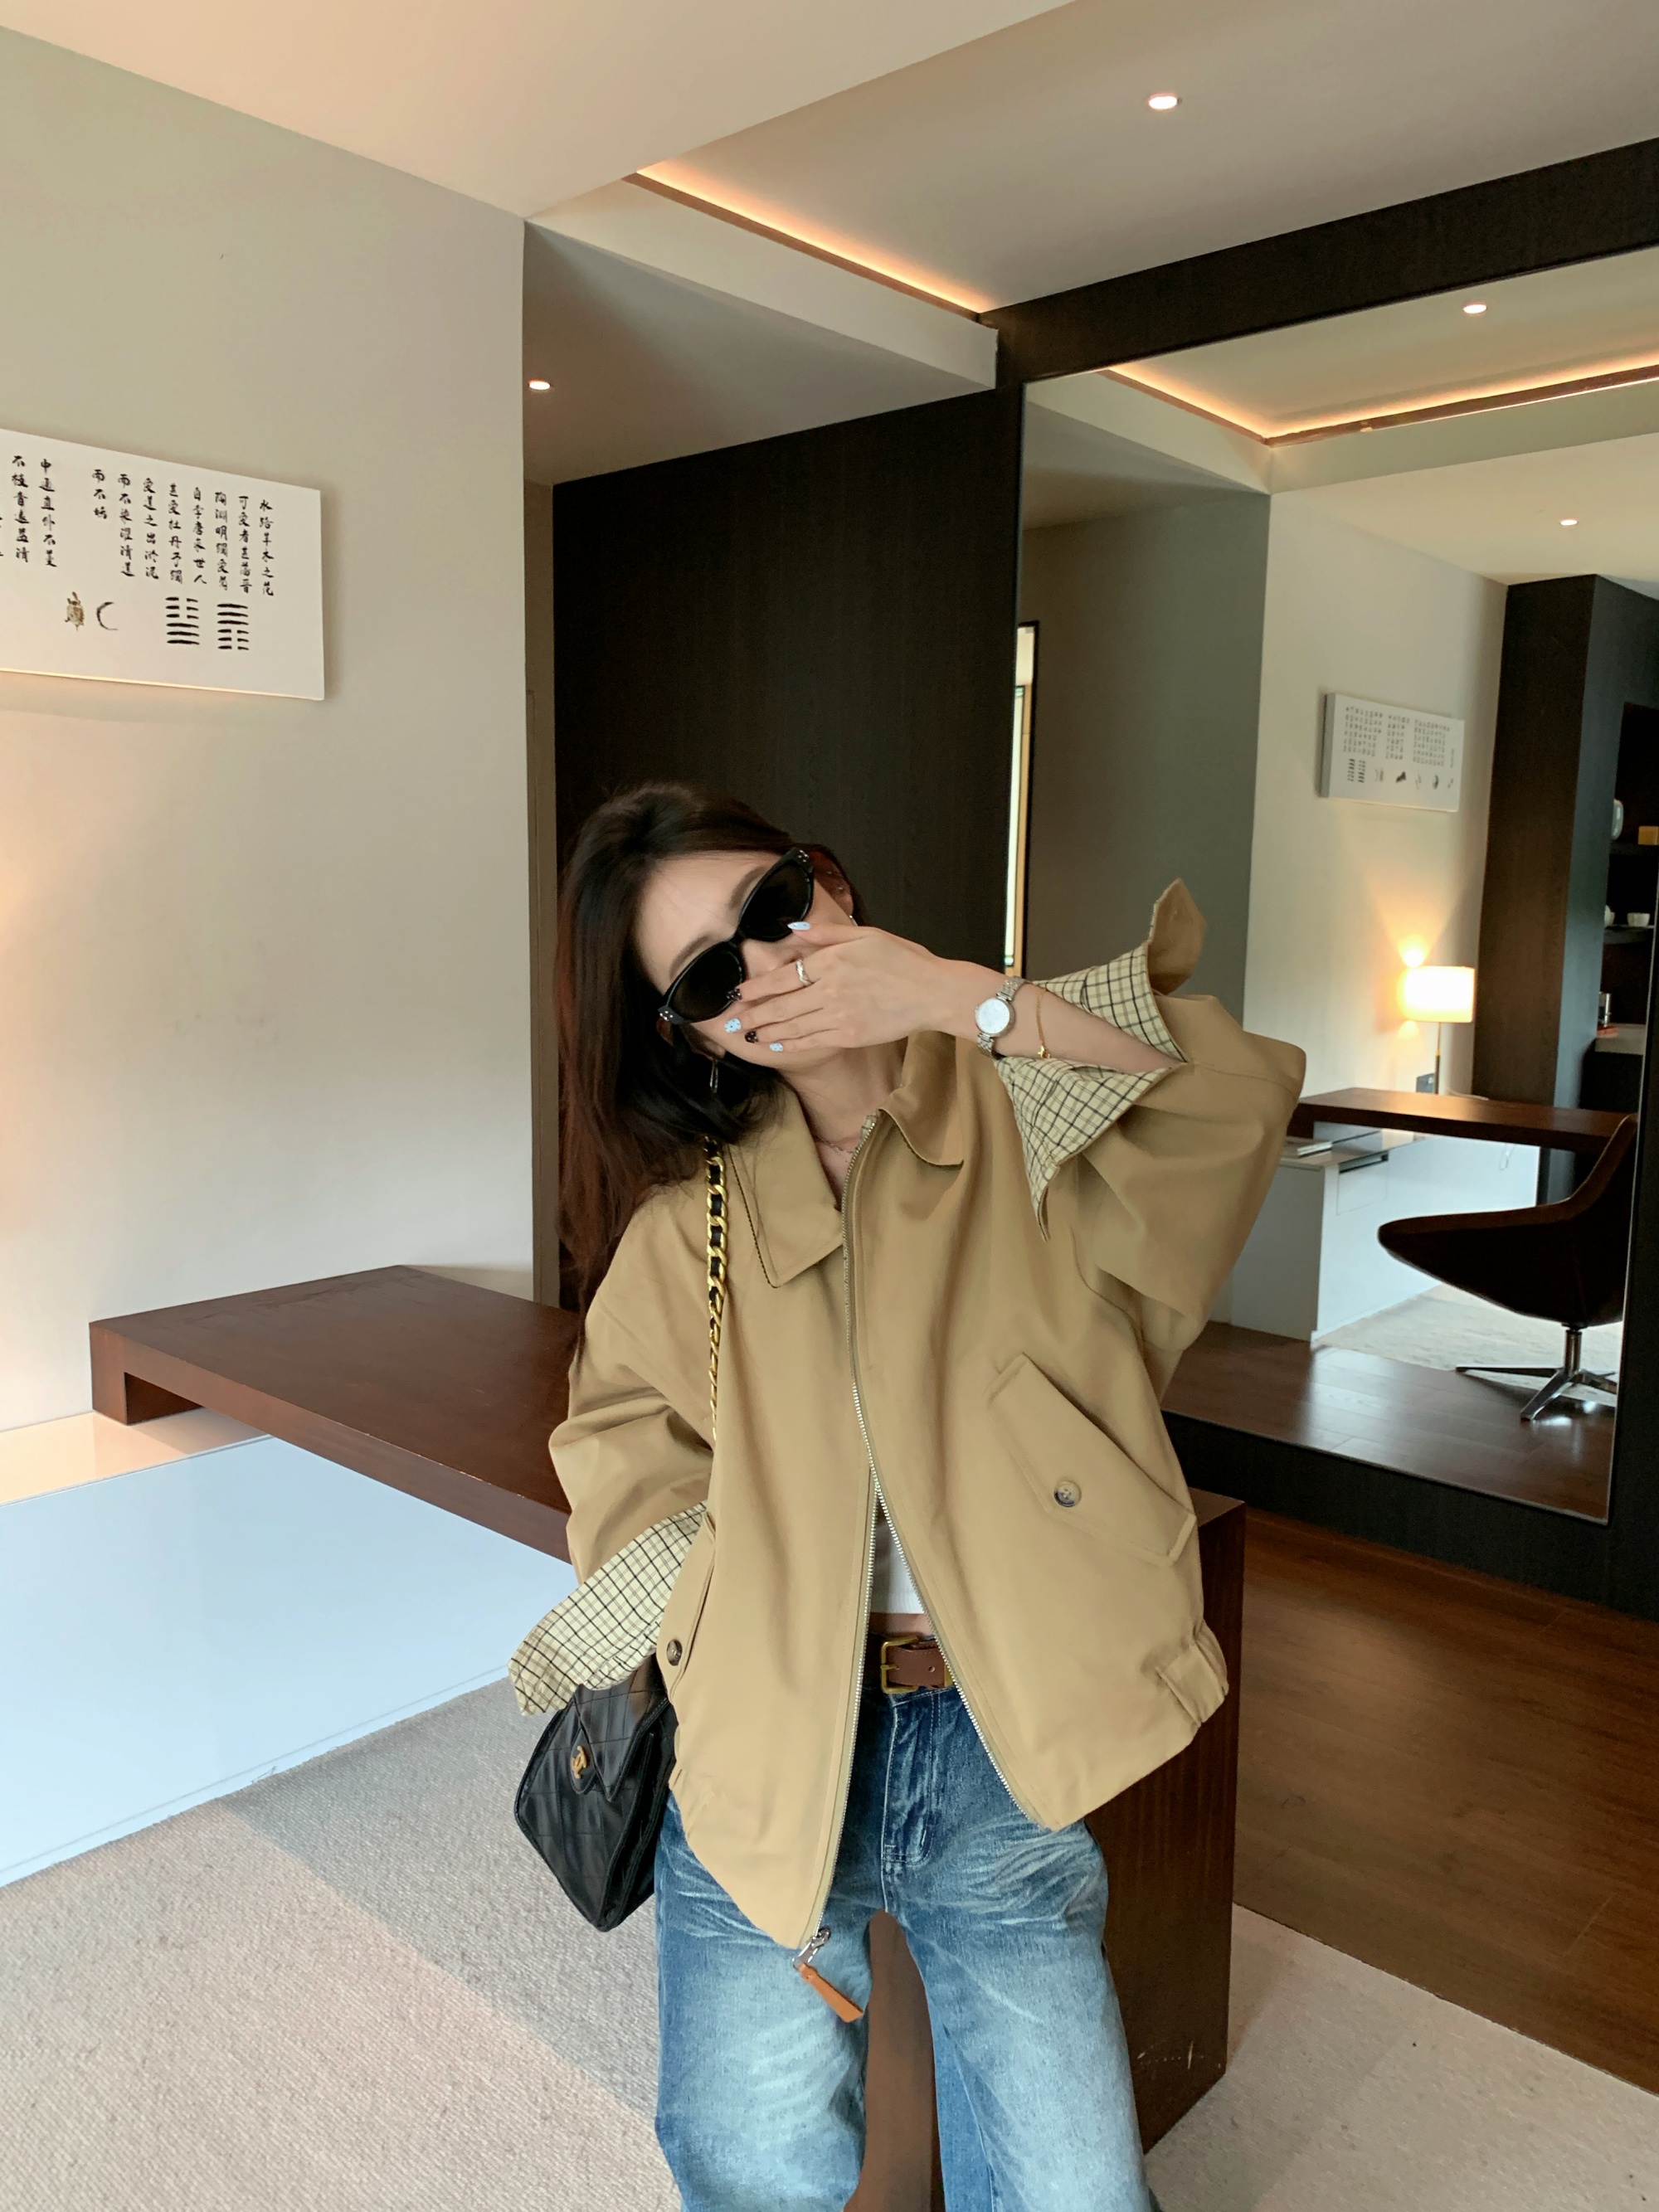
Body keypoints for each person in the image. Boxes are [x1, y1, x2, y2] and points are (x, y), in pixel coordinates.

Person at [551, 783, 1304, 2210]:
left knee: (1072, 2195)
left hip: (992, 1734)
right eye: (712, 975)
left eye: (779, 905)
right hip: (767, 1730)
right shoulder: (693, 1221)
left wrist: (966, 999)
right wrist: (709, 1623)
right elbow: (622, 1444)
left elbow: (1234, 1096)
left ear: (831, 883)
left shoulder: (1038, 1114)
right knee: (743, 2161)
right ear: (695, 1034)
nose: (772, 965)